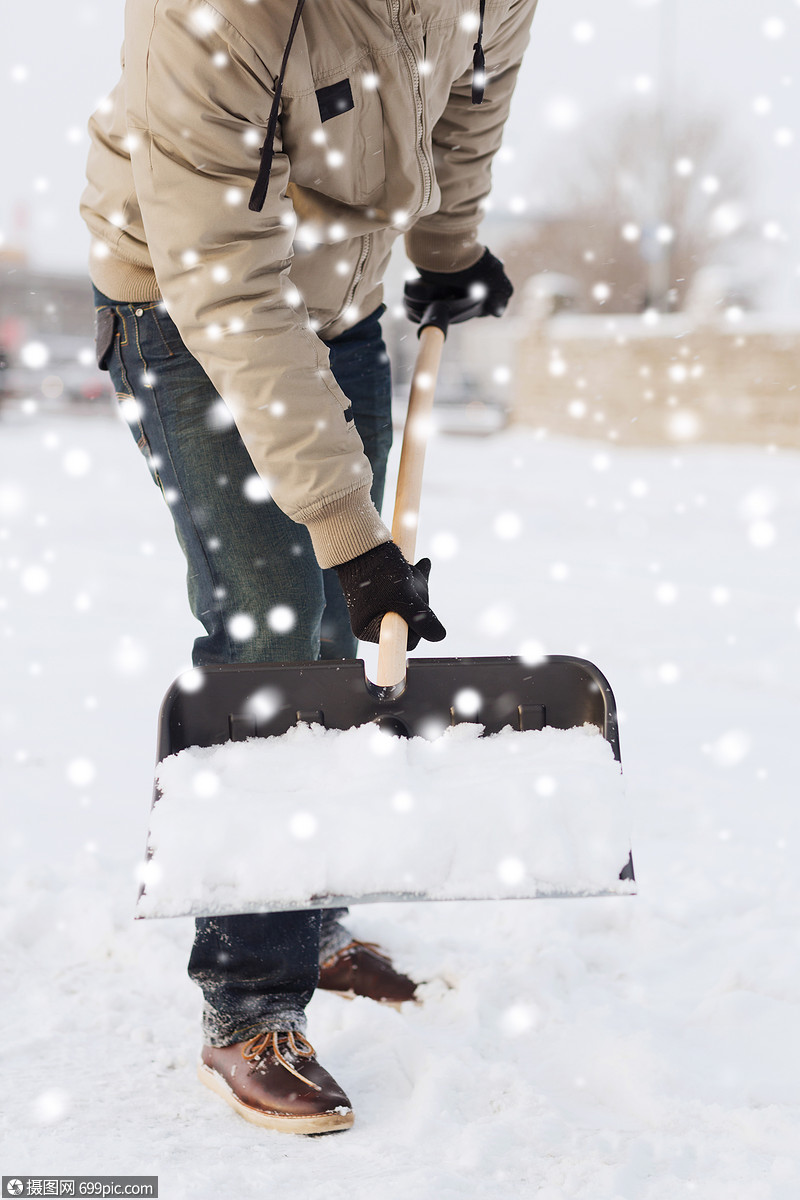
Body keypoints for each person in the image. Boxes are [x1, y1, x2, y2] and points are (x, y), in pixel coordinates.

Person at [81, 0, 537, 1135]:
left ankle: (304, 913)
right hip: (191, 311)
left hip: (337, 302)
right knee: (274, 644)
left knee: (340, 645)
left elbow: (464, 108)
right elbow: (224, 282)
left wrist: (446, 247)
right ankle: (248, 1007)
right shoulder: (220, 13)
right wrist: (348, 529)